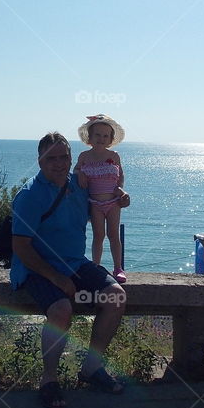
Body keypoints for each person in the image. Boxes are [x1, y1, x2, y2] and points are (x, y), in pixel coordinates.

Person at [10, 131, 129, 408]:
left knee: (116, 296)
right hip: (37, 268)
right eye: (51, 158)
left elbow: (102, 201)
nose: (59, 163)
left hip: (74, 262)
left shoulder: (79, 185)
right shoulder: (30, 196)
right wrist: (57, 278)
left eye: (64, 156)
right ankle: (48, 380)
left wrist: (119, 196)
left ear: (72, 158)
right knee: (62, 309)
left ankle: (91, 367)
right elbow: (21, 247)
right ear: (40, 161)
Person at [75, 114, 129, 283]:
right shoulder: (84, 156)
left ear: (111, 139)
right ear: (89, 137)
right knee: (98, 236)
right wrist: (81, 173)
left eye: (105, 135)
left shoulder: (114, 155)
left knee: (114, 235)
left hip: (113, 202)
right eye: (97, 134)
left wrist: (121, 191)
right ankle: (95, 266)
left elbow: (120, 176)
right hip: (95, 203)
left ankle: (118, 268)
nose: (101, 138)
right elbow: (75, 172)